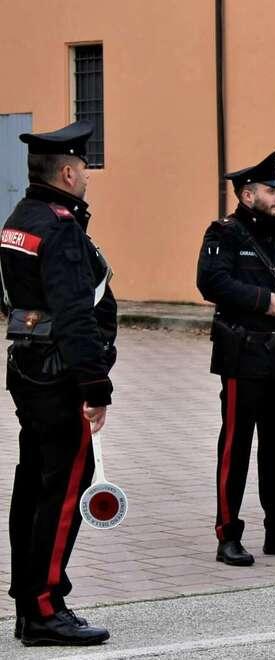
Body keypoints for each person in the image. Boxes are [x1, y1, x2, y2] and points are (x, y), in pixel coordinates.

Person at [1, 120, 116, 646]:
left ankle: (28, 601)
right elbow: (75, 314)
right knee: (64, 486)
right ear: (68, 171)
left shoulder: (19, 219)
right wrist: (96, 388)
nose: (88, 176)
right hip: (59, 374)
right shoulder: (62, 226)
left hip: (27, 366)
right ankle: (46, 606)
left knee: (33, 483)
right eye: (85, 168)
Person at [197, 151, 275, 567]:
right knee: (235, 447)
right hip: (242, 355)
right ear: (248, 195)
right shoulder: (225, 234)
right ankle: (228, 534)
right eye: (272, 190)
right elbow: (211, 281)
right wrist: (261, 299)